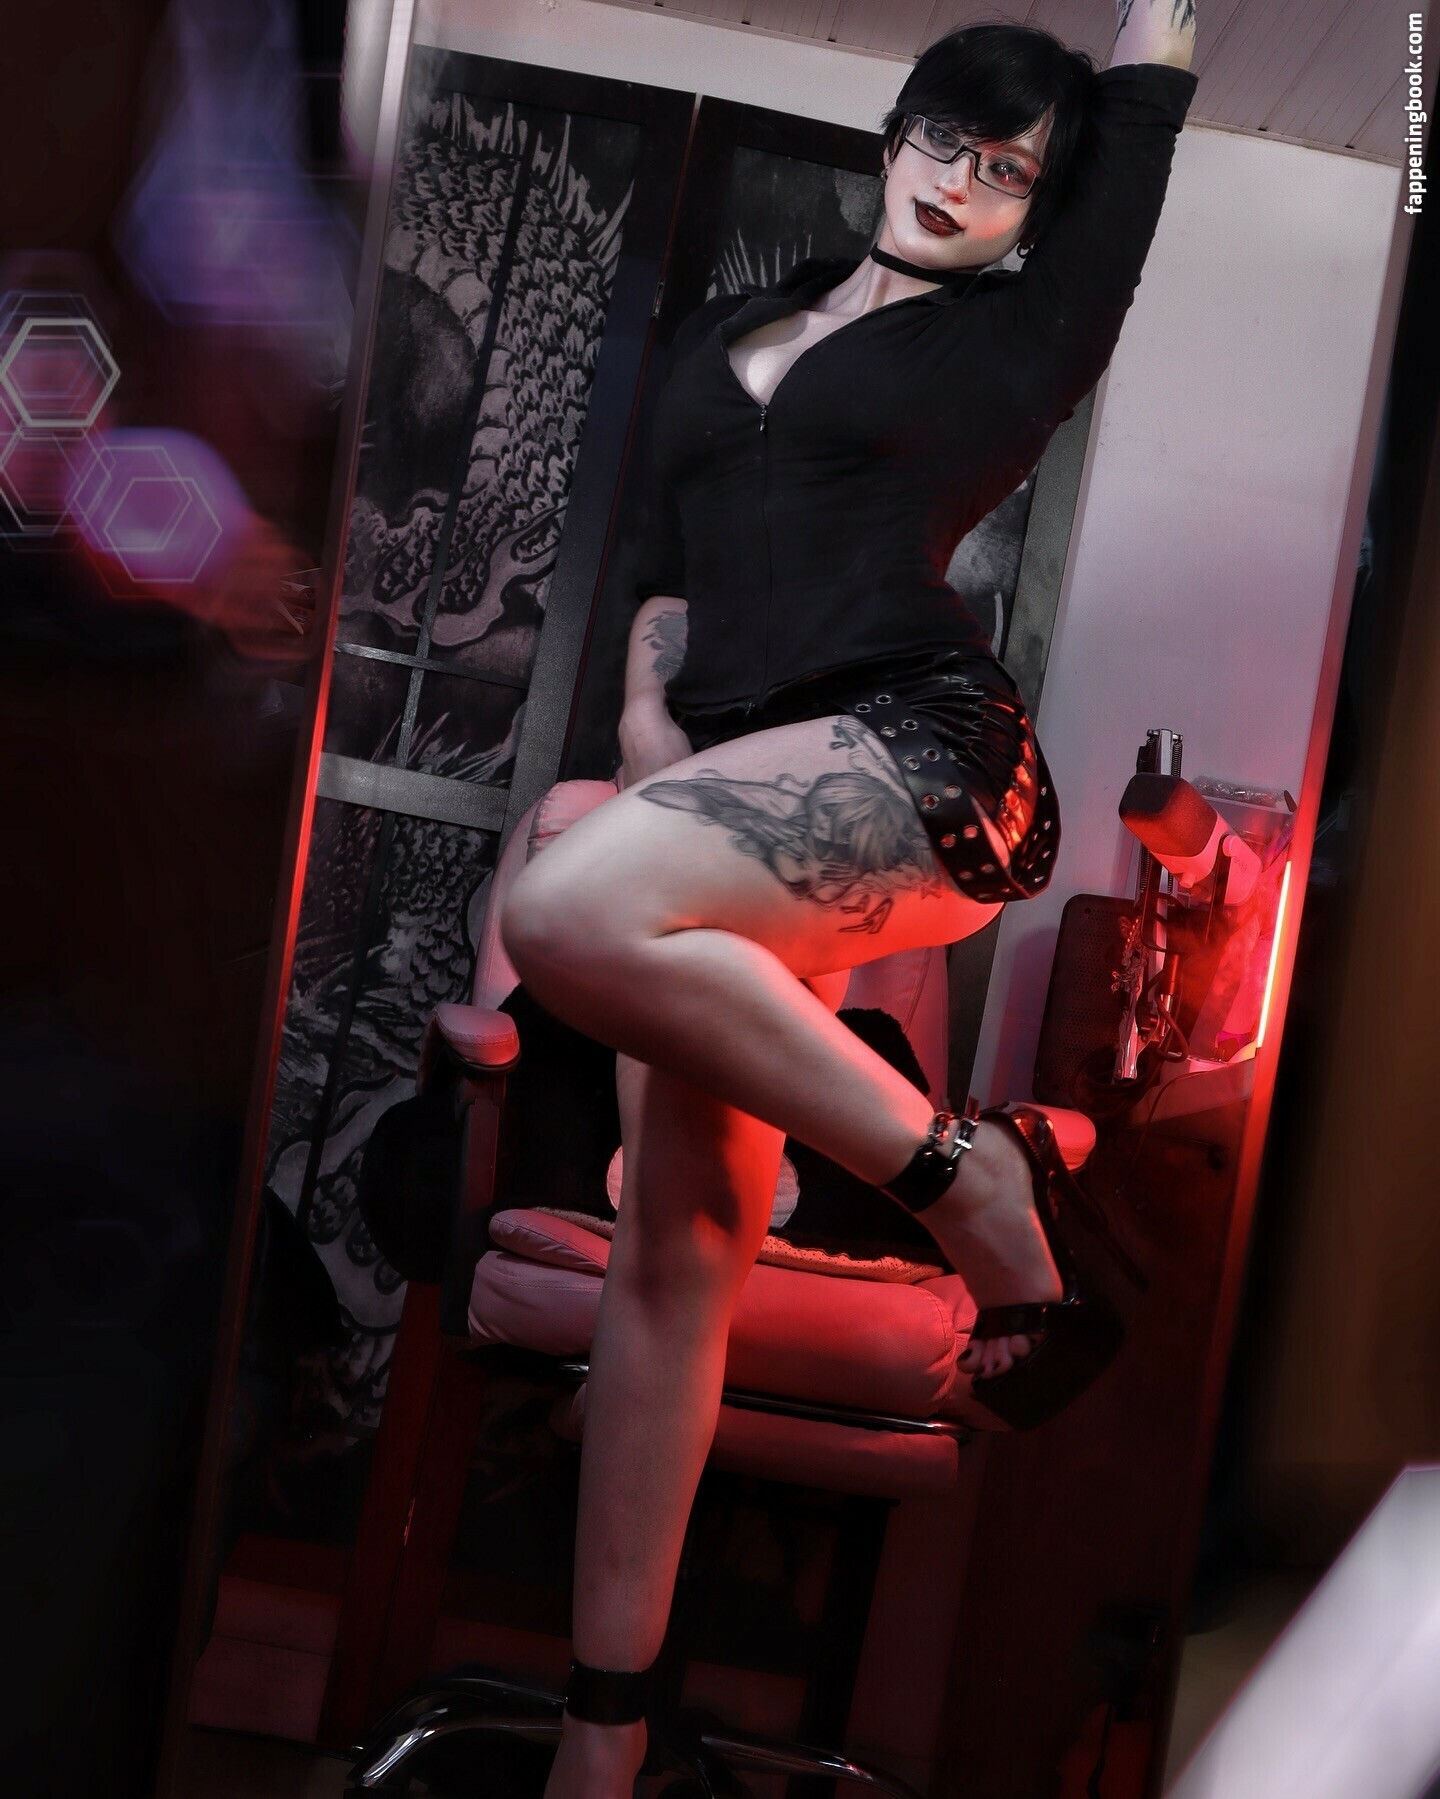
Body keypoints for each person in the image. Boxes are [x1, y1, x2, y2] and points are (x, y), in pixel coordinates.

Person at [500, 7, 1199, 1794]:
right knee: (677, 1253)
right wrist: (647, 728)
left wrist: (1153, 53)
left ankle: (977, 1183)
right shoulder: (740, 323)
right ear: (894, 134)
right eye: (944, 139)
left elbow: (1143, 94)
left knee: (563, 912)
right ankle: (603, 1743)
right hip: (727, 792)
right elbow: (665, 571)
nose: (962, 182)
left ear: (1042, 210)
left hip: (924, 757)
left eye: (1009, 169)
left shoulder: (1022, 336)